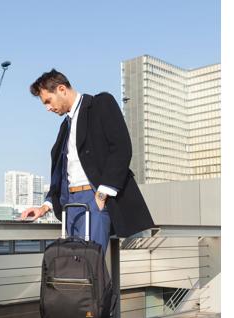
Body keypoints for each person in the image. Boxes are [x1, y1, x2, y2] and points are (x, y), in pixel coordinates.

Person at [21, 69, 154, 253]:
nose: (48, 108)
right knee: (75, 264)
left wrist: (102, 194)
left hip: (94, 198)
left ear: (61, 89)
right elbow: (62, 171)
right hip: (69, 204)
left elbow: (121, 147)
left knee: (90, 262)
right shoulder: (65, 126)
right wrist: (45, 207)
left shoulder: (100, 104)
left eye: (48, 101)